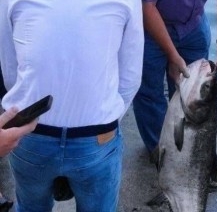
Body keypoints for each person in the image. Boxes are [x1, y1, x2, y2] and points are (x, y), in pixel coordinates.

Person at [0, 0, 144, 211]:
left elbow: (10, 70)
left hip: (29, 131)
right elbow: (131, 75)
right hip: (96, 136)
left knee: (31, 206)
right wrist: (103, 118)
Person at [133, 0, 217, 152]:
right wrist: (172, 54)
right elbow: (147, 6)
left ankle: (187, 153)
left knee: (195, 96)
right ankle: (160, 153)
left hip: (194, 25)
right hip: (149, 26)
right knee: (149, 93)